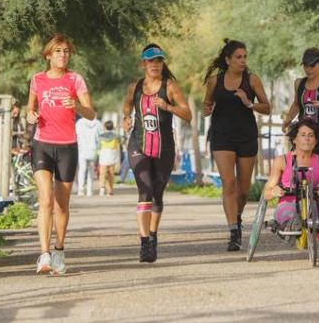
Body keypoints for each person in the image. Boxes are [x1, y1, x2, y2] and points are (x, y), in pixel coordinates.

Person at [26, 33, 95, 275]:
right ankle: (44, 254)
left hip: (68, 146)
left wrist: (76, 106)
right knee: (45, 199)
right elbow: (30, 107)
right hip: (42, 144)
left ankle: (59, 251)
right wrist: (29, 115)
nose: (63, 55)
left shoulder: (76, 80)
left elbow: (91, 114)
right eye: (58, 51)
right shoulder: (37, 79)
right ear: (48, 55)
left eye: (66, 51)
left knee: (62, 204)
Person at [123, 44, 192, 263]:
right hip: (138, 145)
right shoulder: (134, 87)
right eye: (151, 61)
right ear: (143, 63)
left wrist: (167, 107)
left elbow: (188, 114)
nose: (155, 65)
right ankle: (144, 243)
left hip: (163, 148)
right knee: (145, 191)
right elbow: (126, 106)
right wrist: (127, 118)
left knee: (157, 196)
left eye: (159, 61)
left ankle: (153, 236)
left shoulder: (170, 87)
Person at [203, 39, 271, 251]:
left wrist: (249, 103)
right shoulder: (215, 81)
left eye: (244, 57)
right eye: (238, 57)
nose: (243, 61)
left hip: (246, 136)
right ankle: (233, 231)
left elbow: (267, 107)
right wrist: (207, 109)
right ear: (228, 59)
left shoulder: (252, 80)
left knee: (243, 189)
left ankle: (238, 218)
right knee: (229, 184)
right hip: (222, 136)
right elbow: (207, 102)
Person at [263, 120, 319, 246]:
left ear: (316, 140)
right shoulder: (281, 161)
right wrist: (273, 191)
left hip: (314, 201)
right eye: (303, 135)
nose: (307, 139)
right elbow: (266, 193)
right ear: (294, 139)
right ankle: (290, 227)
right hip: (288, 202)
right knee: (289, 214)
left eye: (311, 135)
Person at [75, 116, 102, 197]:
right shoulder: (97, 123)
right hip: (93, 150)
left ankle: (81, 190)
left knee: (82, 170)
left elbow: (76, 135)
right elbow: (100, 137)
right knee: (91, 170)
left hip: (82, 149)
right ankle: (89, 190)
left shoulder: (79, 123)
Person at [98, 120, 121, 196]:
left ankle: (102, 188)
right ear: (112, 127)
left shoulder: (101, 136)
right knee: (111, 175)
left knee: (102, 174)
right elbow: (120, 142)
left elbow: (98, 146)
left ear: (105, 127)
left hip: (103, 157)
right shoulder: (116, 136)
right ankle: (110, 191)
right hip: (112, 156)